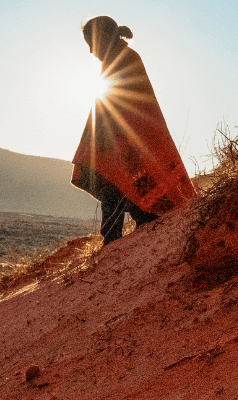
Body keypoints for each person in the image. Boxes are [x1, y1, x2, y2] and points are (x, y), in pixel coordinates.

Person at [71, 16, 196, 244]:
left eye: (92, 43)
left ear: (104, 38)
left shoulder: (125, 58)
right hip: (119, 139)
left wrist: (109, 135)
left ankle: (118, 238)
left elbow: (125, 103)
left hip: (128, 138)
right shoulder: (116, 59)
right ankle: (123, 233)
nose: (90, 51)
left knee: (116, 182)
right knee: (113, 183)